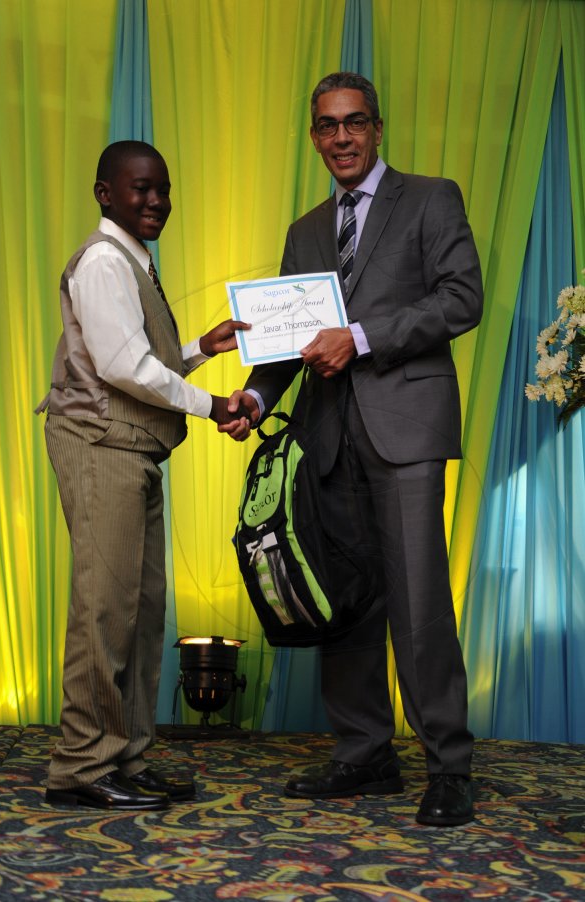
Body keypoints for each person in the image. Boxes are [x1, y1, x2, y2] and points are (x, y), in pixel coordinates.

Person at [223, 73, 483, 826]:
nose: (341, 137)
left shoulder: (432, 197)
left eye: (355, 123)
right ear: (313, 136)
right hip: (326, 435)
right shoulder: (307, 228)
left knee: (419, 600)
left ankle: (449, 766)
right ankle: (365, 752)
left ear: (377, 128)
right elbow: (281, 344)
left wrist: (361, 338)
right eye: (327, 126)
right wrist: (257, 398)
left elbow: (461, 296)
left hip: (405, 429)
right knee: (344, 598)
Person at [37, 140, 250, 811]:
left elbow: (136, 357)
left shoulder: (133, 260)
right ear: (106, 193)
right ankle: (80, 766)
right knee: (106, 609)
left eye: (162, 188)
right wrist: (216, 404)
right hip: (101, 445)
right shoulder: (104, 261)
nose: (155, 200)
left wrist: (200, 350)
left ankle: (123, 756)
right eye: (139, 189)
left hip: (130, 448)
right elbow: (127, 370)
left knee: (139, 611)